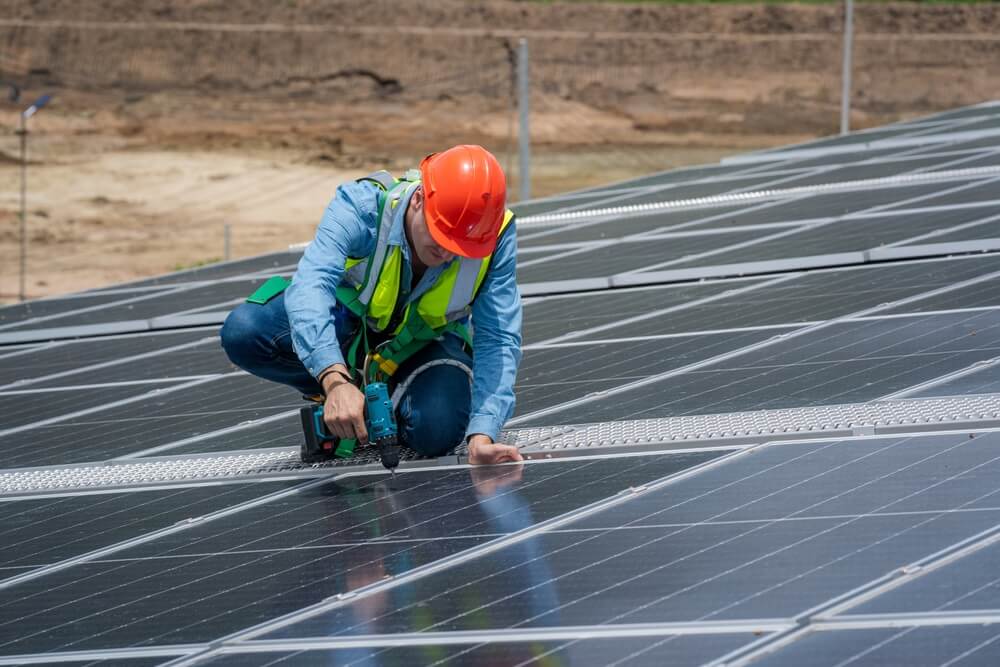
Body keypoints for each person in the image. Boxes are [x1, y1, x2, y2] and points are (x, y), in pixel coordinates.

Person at [221, 145, 523, 466]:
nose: (449, 254)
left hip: (426, 343)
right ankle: (341, 398)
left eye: (462, 247)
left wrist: (483, 434)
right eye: (441, 237)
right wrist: (333, 378)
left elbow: (499, 337)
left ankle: (379, 403)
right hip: (350, 328)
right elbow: (311, 285)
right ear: (420, 199)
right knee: (246, 331)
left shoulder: (494, 234)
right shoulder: (362, 207)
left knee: (437, 432)